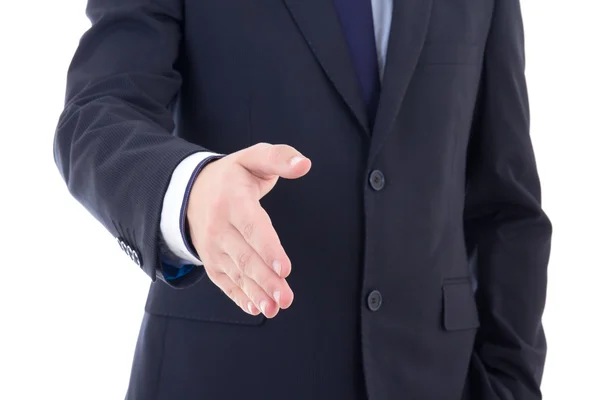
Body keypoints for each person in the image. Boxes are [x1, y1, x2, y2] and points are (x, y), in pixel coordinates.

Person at [53, 0, 552, 398]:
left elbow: (506, 206)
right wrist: (191, 190)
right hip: (224, 375)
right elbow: (96, 114)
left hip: (435, 379)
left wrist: (511, 383)